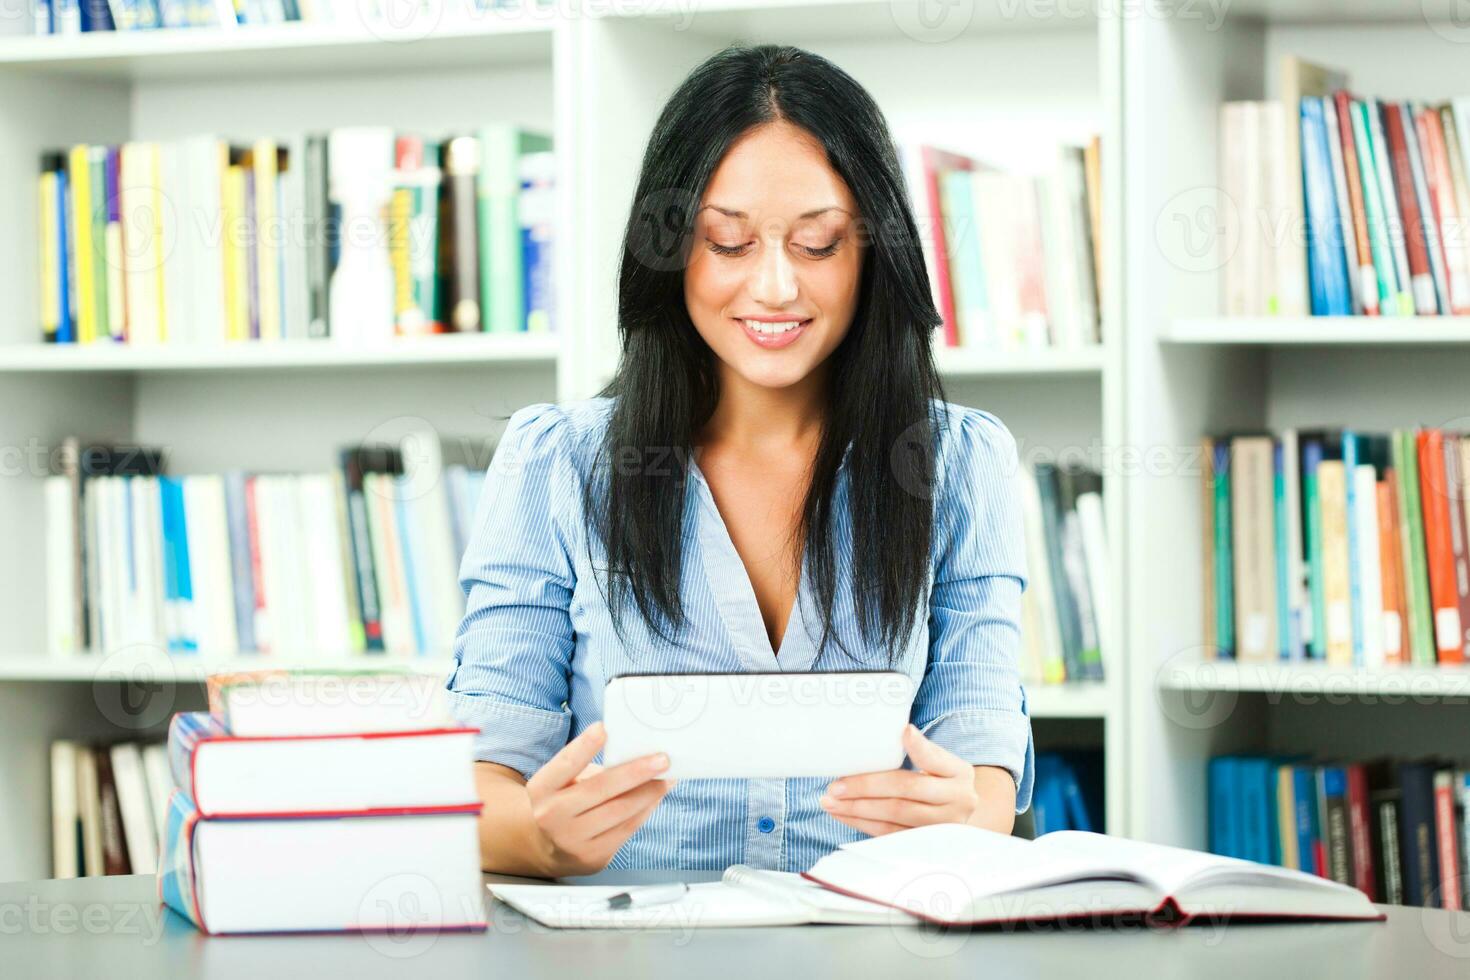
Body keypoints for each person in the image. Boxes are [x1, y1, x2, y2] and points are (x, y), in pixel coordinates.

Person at [448, 43, 1033, 877]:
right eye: (726, 243)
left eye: (819, 245)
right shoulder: (557, 464)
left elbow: (985, 776)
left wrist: (964, 815)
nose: (773, 288)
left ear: (875, 249)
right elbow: (481, 781)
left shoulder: (958, 463)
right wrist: (538, 835)